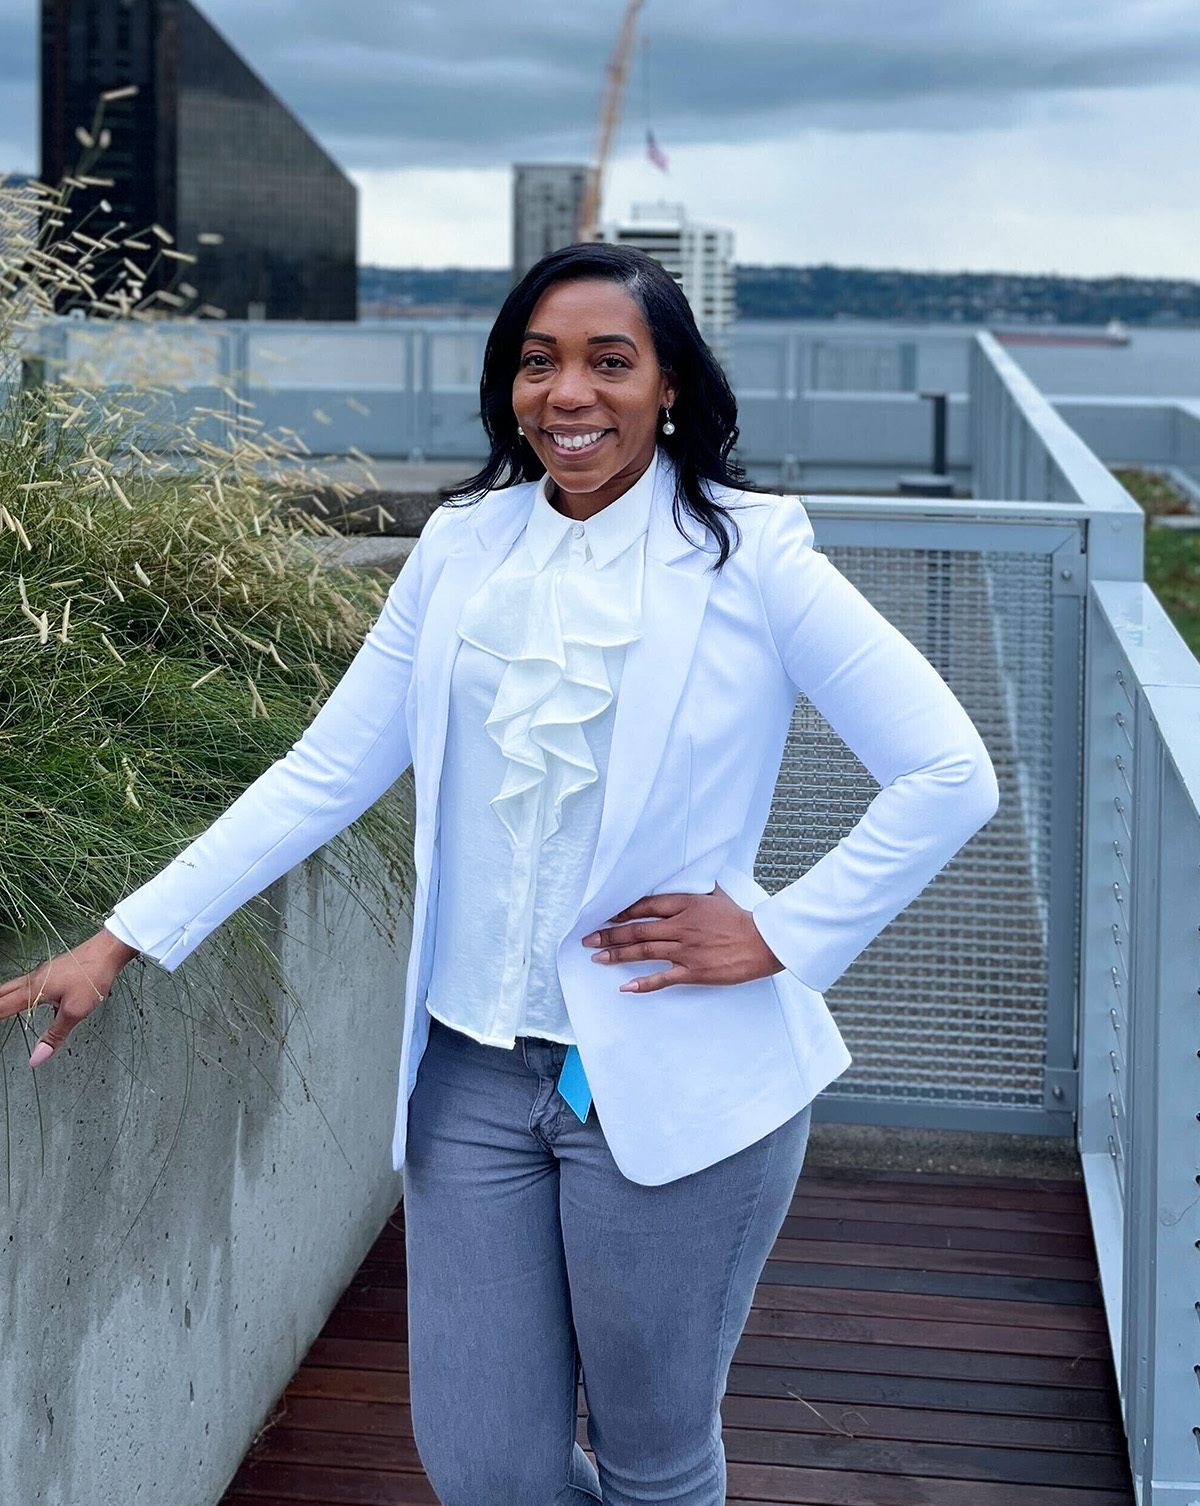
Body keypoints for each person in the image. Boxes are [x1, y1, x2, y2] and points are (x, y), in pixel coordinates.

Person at [0, 243, 1000, 1504]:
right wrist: (121, 938)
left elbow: (949, 772)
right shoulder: (465, 546)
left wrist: (785, 934)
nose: (568, 394)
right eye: (539, 364)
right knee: (486, 1469)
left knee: (654, 1465)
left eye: (609, 362)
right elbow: (328, 771)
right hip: (471, 1079)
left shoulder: (755, 557)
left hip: (672, 1074)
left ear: (672, 385)